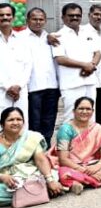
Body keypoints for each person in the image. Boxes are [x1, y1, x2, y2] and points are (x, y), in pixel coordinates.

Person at [49, 97, 101, 194]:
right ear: (74, 111)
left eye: (88, 109)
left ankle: (80, 182)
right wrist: (85, 171)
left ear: (92, 111)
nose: (84, 111)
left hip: (94, 164)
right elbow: (63, 159)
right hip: (73, 166)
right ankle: (93, 180)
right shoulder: (65, 130)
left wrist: (98, 166)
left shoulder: (97, 128)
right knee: (63, 173)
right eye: (81, 108)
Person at [0, 107, 63, 206]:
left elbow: (41, 160)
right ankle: (37, 192)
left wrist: (50, 180)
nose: (15, 123)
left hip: (26, 175)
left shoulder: (31, 137)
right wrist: (3, 177)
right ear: (2, 124)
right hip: (4, 181)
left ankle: (32, 191)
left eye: (19, 119)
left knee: (53, 176)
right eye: (11, 120)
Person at [52, 3, 101, 122]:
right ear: (63, 17)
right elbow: (60, 59)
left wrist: (92, 66)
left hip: (90, 82)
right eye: (71, 15)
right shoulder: (58, 36)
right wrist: (85, 65)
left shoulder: (88, 32)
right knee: (71, 118)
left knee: (91, 117)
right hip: (71, 84)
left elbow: (98, 53)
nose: (75, 18)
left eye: (78, 15)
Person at [23, 8, 59, 146]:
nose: (38, 22)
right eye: (34, 19)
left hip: (52, 86)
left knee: (49, 120)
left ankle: (46, 147)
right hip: (32, 87)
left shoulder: (50, 38)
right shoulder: (20, 38)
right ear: (27, 20)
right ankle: (34, 149)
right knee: (34, 121)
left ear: (45, 21)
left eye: (41, 19)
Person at [0, 3, 32, 124]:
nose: (5, 17)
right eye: (1, 15)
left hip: (20, 91)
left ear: (13, 17)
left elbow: (28, 65)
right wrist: (7, 86)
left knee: (21, 123)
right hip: (2, 90)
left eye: (8, 15)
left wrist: (18, 86)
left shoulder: (22, 39)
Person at [81, 4, 101, 126]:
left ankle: (99, 136)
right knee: (86, 112)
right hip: (86, 80)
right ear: (89, 15)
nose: (98, 17)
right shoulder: (81, 31)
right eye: (96, 14)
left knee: (100, 113)